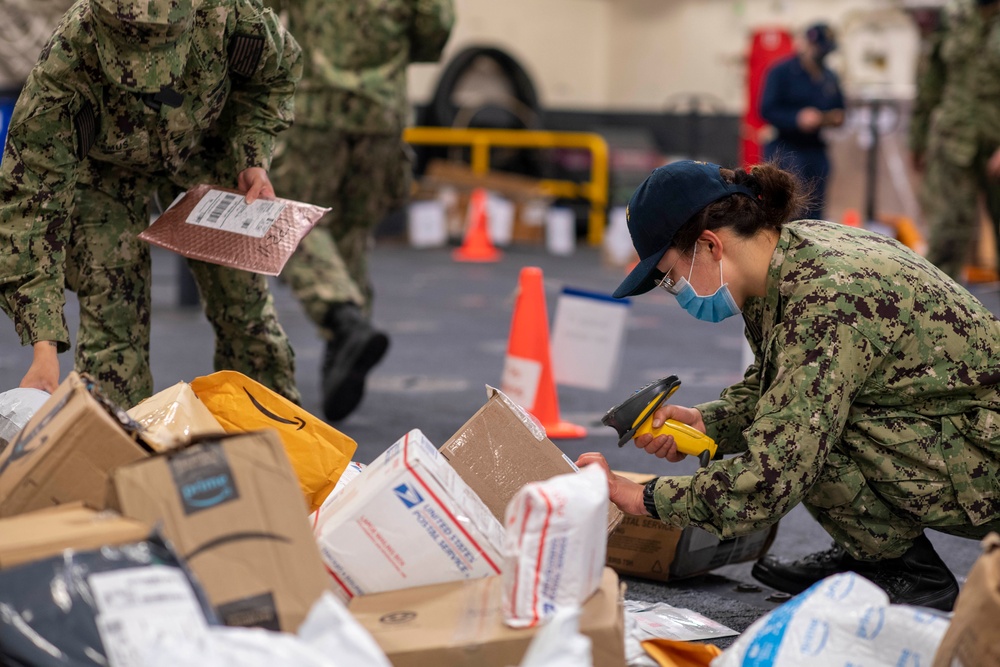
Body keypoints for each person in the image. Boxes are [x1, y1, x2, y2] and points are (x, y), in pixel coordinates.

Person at [577, 159, 1000, 611]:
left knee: (807, 430)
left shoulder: (827, 298)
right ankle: (874, 549)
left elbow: (771, 476)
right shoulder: (785, 260)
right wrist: (707, 422)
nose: (673, 290)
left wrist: (640, 497)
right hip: (955, 425)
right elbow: (775, 384)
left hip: (985, 458)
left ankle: (907, 573)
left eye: (668, 276)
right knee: (807, 411)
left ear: (709, 245)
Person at [0, 0, 304, 408]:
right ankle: (122, 459)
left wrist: (252, 156)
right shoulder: (67, 65)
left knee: (246, 312)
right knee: (112, 334)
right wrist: (43, 348)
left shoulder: (226, 15)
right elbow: (30, 205)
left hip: (203, 148)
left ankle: (274, 446)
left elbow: (274, 73)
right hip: (107, 174)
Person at [266, 0, 454, 421]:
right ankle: (344, 354)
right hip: (382, 115)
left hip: (316, 112)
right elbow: (435, 30)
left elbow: (256, 14)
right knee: (349, 232)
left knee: (288, 218)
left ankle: (343, 317)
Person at [917, 0, 1000, 282]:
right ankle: (933, 315)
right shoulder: (953, 16)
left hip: (995, 140)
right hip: (952, 141)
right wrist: (917, 138)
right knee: (947, 233)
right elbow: (931, 82)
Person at [759, 22, 845, 220]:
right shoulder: (781, 72)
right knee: (788, 211)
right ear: (806, 43)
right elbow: (766, 110)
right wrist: (797, 118)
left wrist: (830, 119)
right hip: (786, 148)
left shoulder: (829, 76)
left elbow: (840, 110)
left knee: (815, 212)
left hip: (816, 148)